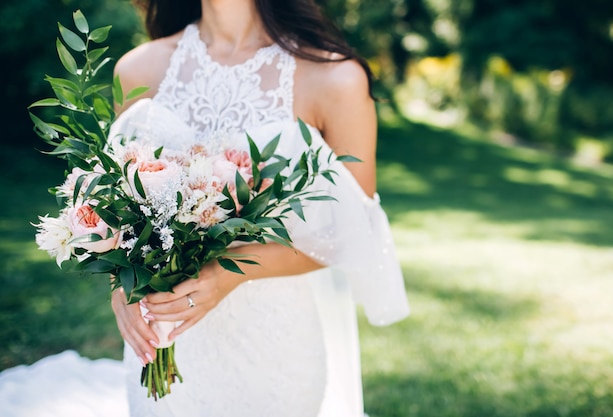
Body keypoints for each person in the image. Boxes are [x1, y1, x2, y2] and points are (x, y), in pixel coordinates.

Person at [110, 0, 410, 416]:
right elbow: (118, 205)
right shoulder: (137, 70)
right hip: (161, 340)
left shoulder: (335, 78)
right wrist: (122, 284)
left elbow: (352, 231)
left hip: (272, 351)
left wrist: (232, 272)